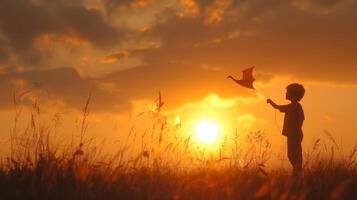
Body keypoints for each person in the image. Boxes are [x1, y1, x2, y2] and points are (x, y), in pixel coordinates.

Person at [267, 83, 305, 175]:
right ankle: (296, 171)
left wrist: (296, 129)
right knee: (291, 154)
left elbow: (302, 118)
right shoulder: (291, 106)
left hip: (295, 135)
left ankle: (298, 172)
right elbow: (278, 107)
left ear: (294, 94)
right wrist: (271, 102)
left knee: (295, 154)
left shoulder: (296, 106)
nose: (285, 93)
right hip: (292, 135)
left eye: (287, 92)